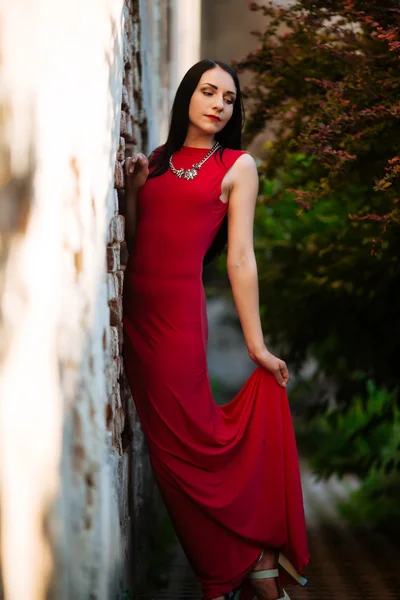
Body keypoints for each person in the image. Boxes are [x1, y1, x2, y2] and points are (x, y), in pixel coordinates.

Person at [122, 59, 309, 600]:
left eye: (228, 99)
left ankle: (250, 556)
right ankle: (249, 560)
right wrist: (136, 187)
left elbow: (241, 259)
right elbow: (138, 242)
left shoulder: (237, 165)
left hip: (179, 318)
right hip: (137, 318)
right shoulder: (158, 161)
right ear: (188, 96)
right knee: (167, 451)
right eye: (209, 92)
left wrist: (256, 344)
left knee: (190, 445)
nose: (218, 105)